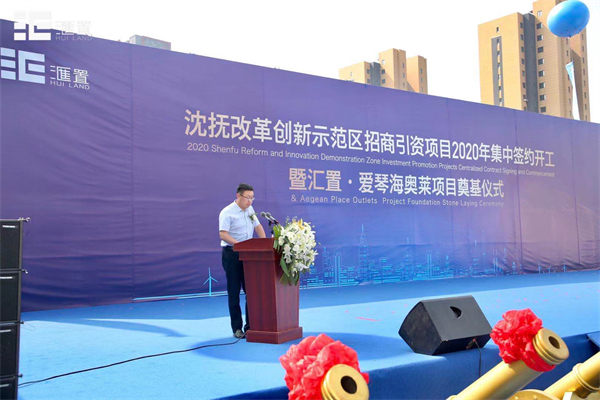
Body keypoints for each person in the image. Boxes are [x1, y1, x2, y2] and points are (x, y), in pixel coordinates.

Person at [219, 183, 266, 339]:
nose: (250, 201)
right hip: (232, 254)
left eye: (252, 198)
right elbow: (223, 234)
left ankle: (250, 326)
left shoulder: (250, 210)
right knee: (234, 293)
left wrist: (264, 244)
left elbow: (258, 227)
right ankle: (237, 328)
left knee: (251, 291)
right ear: (238, 196)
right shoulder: (227, 212)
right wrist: (240, 245)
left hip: (248, 255)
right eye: (247, 197)